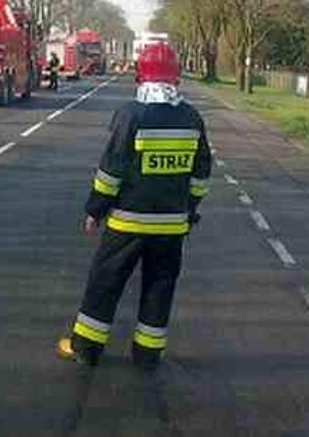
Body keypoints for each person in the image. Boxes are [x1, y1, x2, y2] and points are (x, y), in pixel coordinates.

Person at [56, 42, 212, 370]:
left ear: (140, 77)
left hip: (127, 224)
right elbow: (201, 174)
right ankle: (147, 355)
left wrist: (95, 210)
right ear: (176, 79)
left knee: (105, 284)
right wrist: (189, 209)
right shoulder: (192, 118)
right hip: (171, 226)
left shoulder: (130, 115)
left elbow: (111, 171)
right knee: (159, 287)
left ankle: (86, 348)